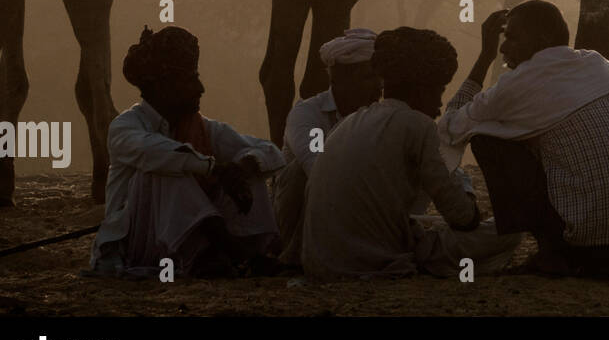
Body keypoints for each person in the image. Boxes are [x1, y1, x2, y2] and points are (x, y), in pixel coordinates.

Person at [439, 1, 609, 279]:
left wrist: (485, 56)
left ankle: (552, 253)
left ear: (540, 40)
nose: (504, 48)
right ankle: (571, 248)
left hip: (587, 244)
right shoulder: (598, 64)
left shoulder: (520, 83)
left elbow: (450, 125)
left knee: (485, 138)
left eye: (511, 38)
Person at [300, 27, 520, 279]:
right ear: (420, 90)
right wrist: (469, 201)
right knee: (510, 232)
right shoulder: (418, 126)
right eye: (438, 91)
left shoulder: (350, 122)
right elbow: (461, 217)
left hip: (319, 262)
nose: (439, 105)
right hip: (372, 262)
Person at [89, 26, 284, 278]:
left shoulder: (202, 128)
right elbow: (158, 153)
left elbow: (269, 151)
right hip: (141, 244)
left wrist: (240, 168)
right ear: (162, 87)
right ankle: (220, 255)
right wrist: (213, 168)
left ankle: (251, 252)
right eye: (189, 80)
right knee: (167, 169)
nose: (200, 88)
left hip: (200, 237)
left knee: (246, 165)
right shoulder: (125, 126)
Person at [274, 28, 382, 268]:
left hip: (357, 209)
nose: (378, 86)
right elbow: (317, 168)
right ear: (339, 79)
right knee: (300, 173)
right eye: (368, 78)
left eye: (379, 77)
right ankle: (294, 255)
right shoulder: (307, 114)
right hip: (307, 212)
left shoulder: (379, 116)